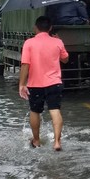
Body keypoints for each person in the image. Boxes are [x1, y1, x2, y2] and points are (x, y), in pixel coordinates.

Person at [18, 16, 69, 151]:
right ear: (50, 28)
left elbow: (25, 65)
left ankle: (36, 140)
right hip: (54, 82)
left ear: (36, 27)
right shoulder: (58, 42)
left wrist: (22, 84)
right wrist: (58, 42)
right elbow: (65, 59)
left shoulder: (29, 43)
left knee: (35, 111)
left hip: (35, 84)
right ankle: (57, 142)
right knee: (55, 110)